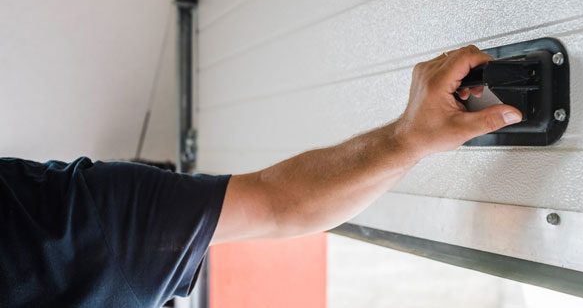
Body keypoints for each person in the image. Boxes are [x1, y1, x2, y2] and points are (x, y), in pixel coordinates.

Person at [0, 45, 522, 307]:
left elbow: (281, 202)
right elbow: (280, 203)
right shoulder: (84, 219)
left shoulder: (79, 221)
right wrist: (405, 138)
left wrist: (408, 138)